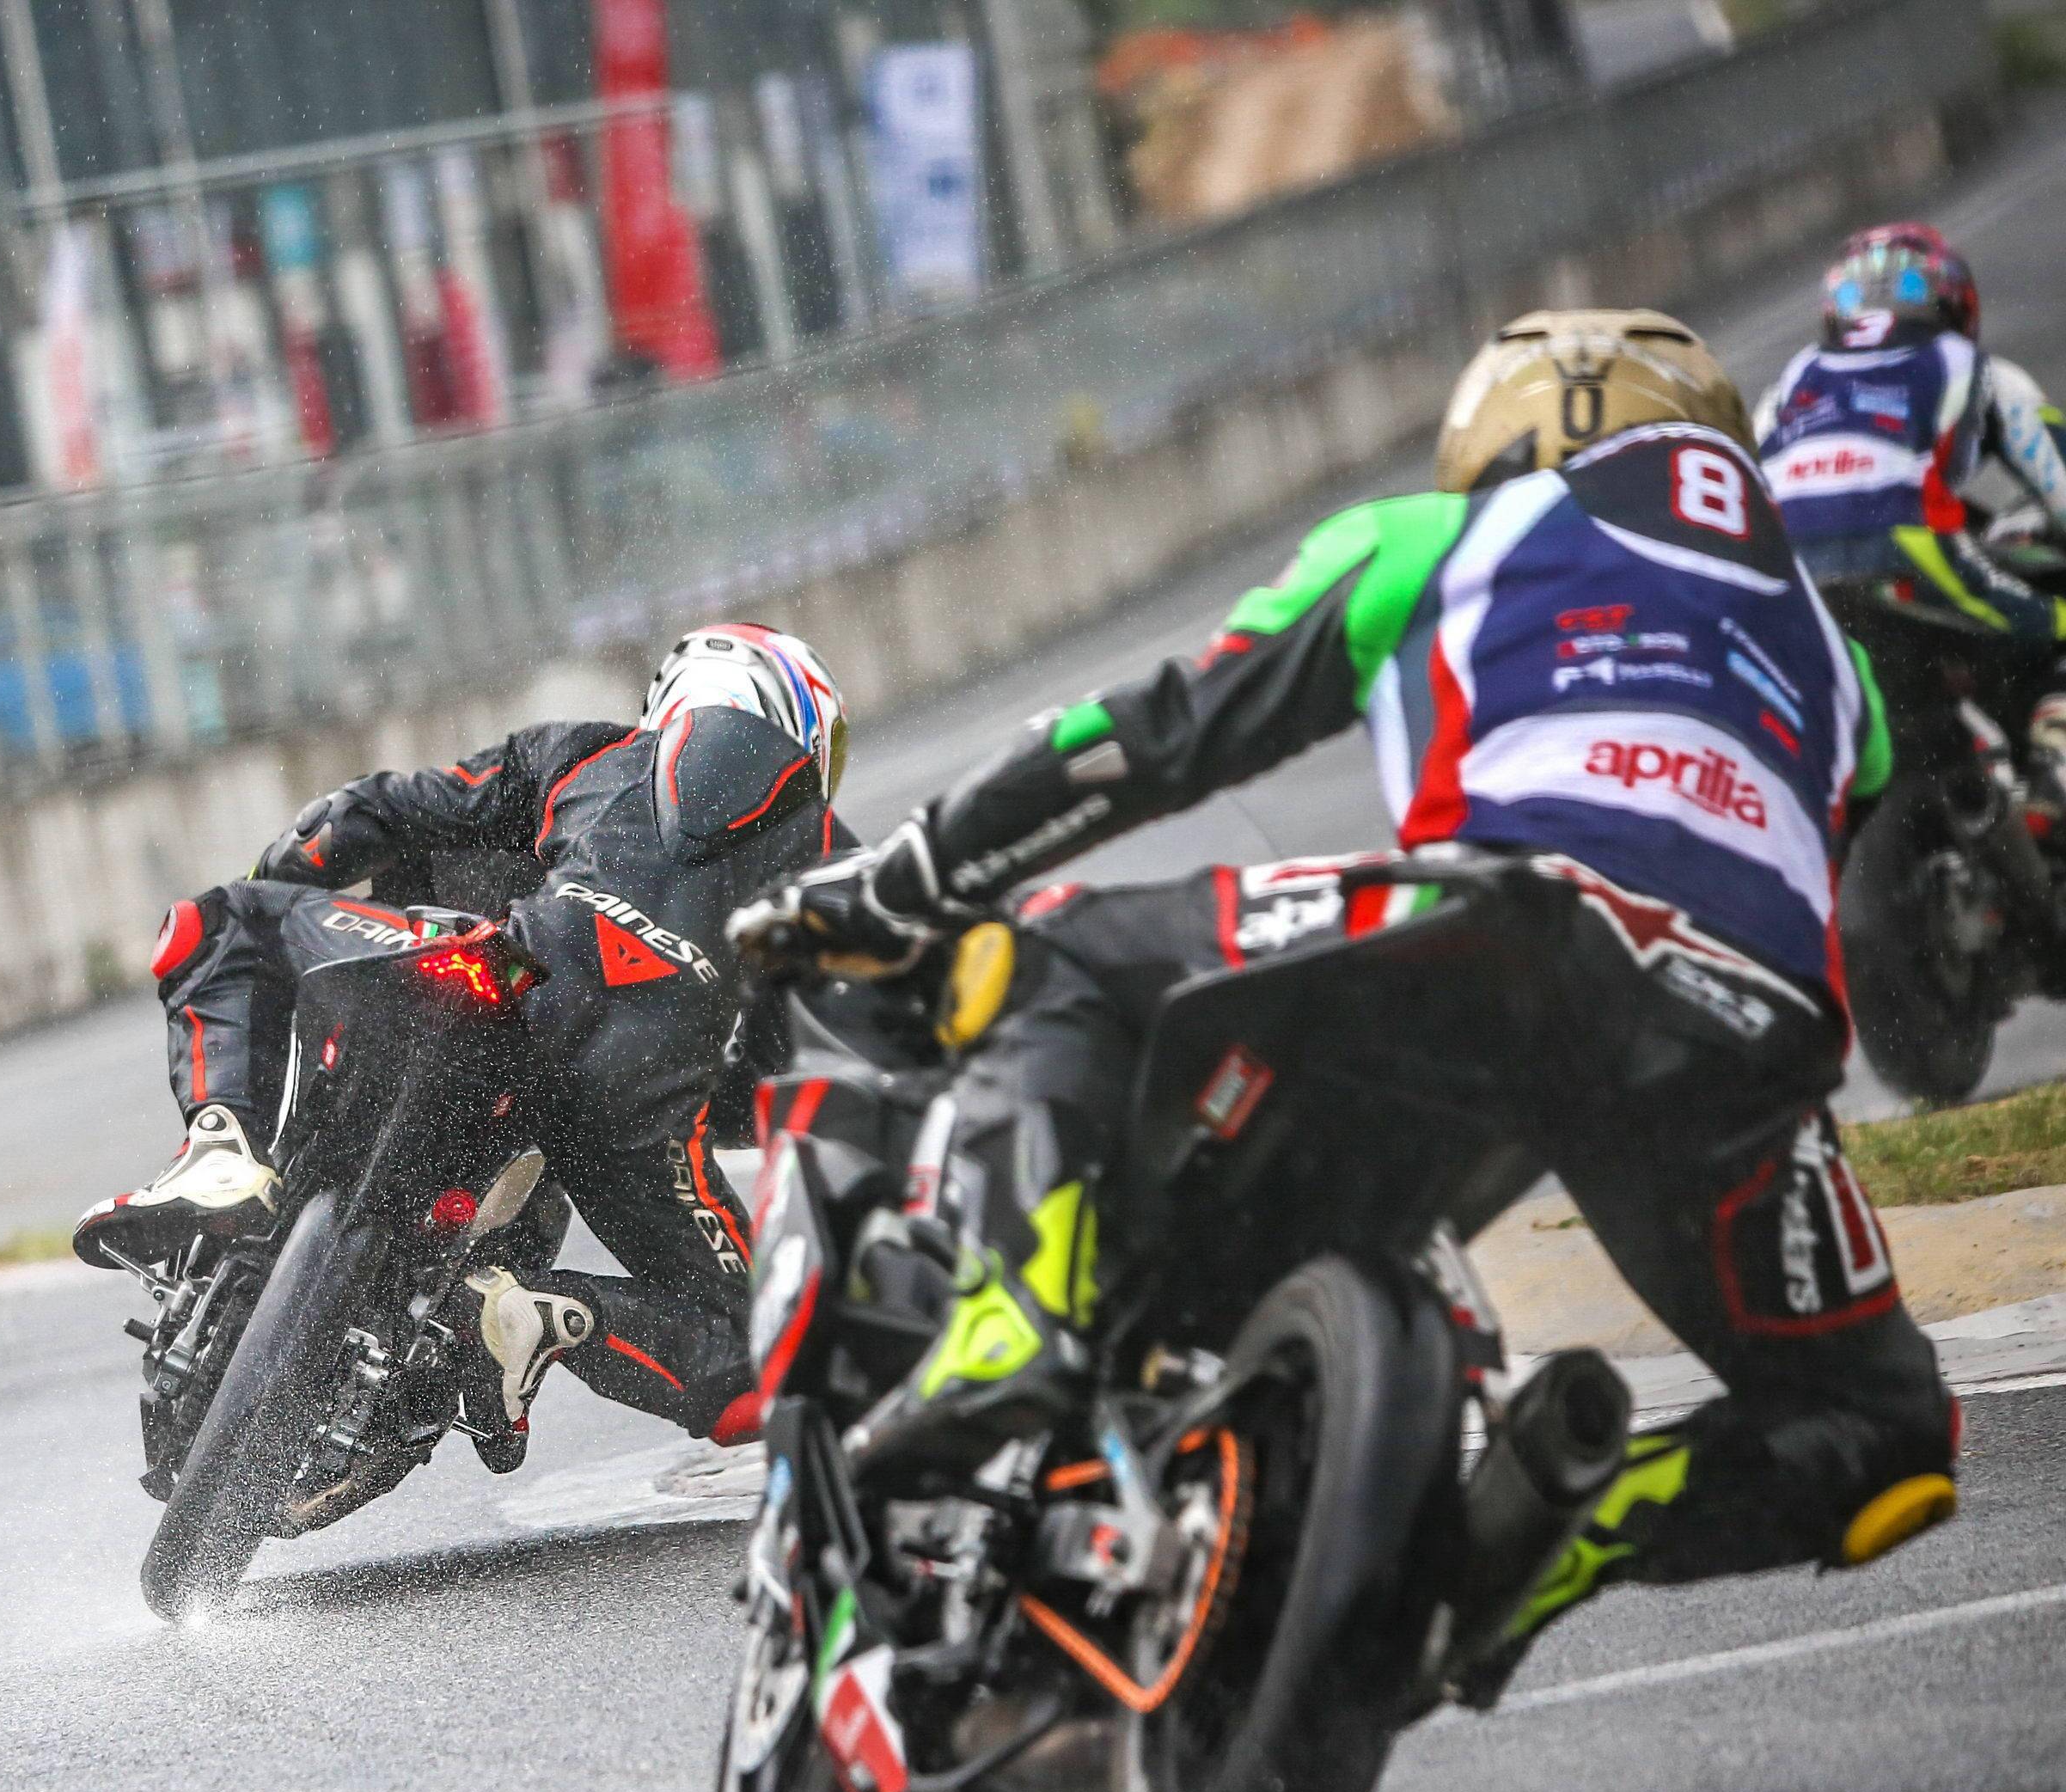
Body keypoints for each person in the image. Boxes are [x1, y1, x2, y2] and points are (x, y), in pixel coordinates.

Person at [735, 309, 1959, 1691]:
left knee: (1055, 944)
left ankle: (1014, 1320)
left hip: (1507, 930)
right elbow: (1841, 843)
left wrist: (901, 882)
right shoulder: (1837, 662)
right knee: (1887, 1431)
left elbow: (1153, 734)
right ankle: (1549, 1538)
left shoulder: (1441, 540)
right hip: (1744, 1035)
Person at [76, 625, 852, 1455]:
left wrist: (284, 886)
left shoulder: (587, 751)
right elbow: (785, 1072)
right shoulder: (834, 861)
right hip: (643, 1090)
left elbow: (359, 816)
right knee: (766, 1357)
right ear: (803, 723)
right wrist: (687, 1089)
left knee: (218, 921)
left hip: (514, 973)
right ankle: (548, 1316)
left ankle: (222, 1142)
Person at [1757, 222, 2066, 771]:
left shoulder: (1789, 382)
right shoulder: (1978, 368)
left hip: (1791, 571)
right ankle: (2055, 749)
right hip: (1908, 545)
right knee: (2052, 624)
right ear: (1958, 305)